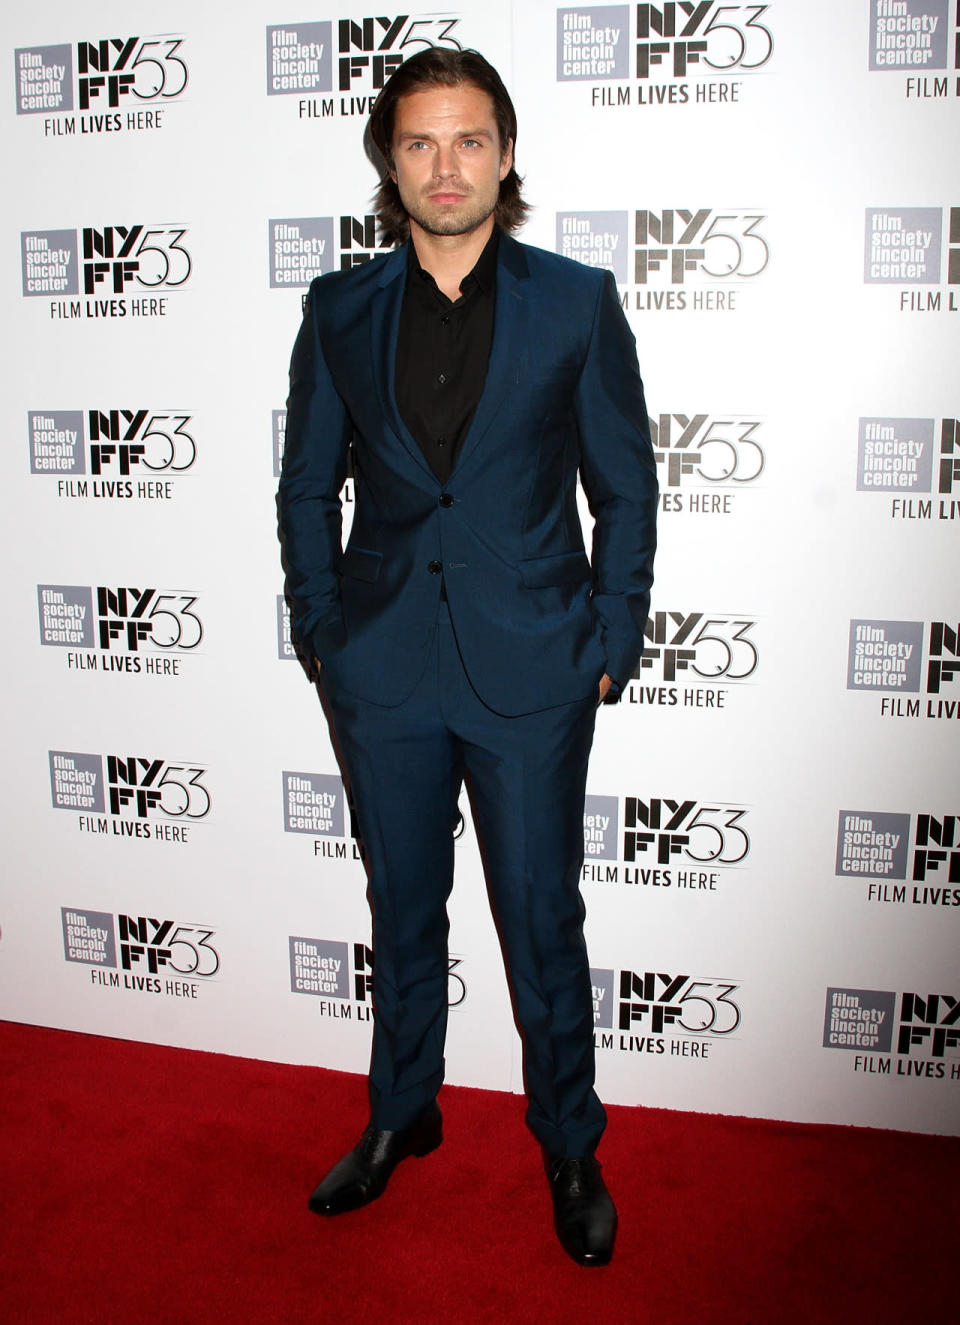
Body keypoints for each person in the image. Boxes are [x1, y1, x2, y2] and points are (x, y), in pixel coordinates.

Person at [278, 46, 657, 1267]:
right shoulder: (338, 310)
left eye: (471, 140)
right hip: (382, 669)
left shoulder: (575, 301)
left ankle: (567, 1138)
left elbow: (626, 490)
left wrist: (612, 635)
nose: (447, 167)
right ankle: (404, 1110)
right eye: (421, 142)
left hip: (536, 669)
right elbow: (305, 489)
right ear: (391, 161)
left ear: (507, 153)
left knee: (541, 915)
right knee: (403, 905)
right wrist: (322, 630)